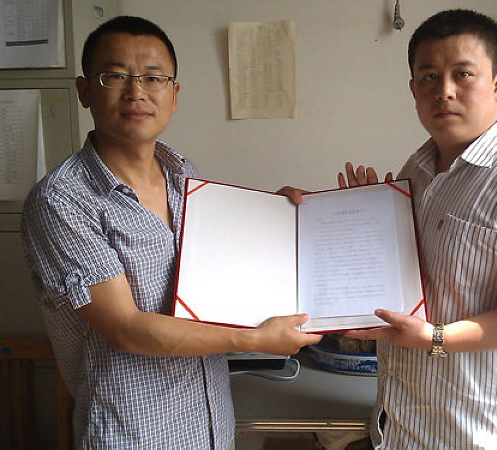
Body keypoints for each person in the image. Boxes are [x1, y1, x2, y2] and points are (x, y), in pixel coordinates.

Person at [20, 16, 320, 449]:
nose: (136, 91)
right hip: (133, 433)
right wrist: (256, 340)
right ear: (84, 90)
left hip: (210, 426)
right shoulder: (61, 200)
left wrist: (275, 217)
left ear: (174, 94)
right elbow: (125, 327)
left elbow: (216, 268)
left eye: (153, 77)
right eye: (115, 76)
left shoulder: (183, 175)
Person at [337, 9, 497, 449]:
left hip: (477, 435)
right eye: (429, 77)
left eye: (463, 74)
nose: (444, 91)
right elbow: (419, 274)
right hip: (399, 428)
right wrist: (369, 222)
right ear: (413, 89)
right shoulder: (416, 169)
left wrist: (436, 338)